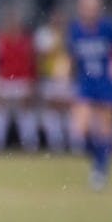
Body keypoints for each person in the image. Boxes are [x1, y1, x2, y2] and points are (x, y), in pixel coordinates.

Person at [68, 0, 112, 190]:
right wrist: (64, 69)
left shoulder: (109, 27)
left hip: (106, 84)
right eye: (86, 6)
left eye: (93, 6)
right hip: (86, 84)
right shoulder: (75, 29)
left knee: (104, 131)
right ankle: (97, 161)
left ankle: (100, 170)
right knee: (79, 131)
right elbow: (72, 56)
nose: (90, 10)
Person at [0, 11, 39, 151]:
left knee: (25, 111)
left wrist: (31, 82)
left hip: (22, 80)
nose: (11, 27)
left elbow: (31, 63)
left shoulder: (26, 42)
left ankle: (30, 143)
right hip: (4, 79)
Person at [34, 8, 74, 152]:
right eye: (55, 19)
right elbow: (41, 55)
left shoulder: (71, 34)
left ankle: (74, 142)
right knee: (52, 109)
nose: (58, 22)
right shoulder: (44, 34)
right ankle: (55, 142)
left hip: (67, 78)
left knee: (69, 109)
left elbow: (74, 55)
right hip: (50, 76)